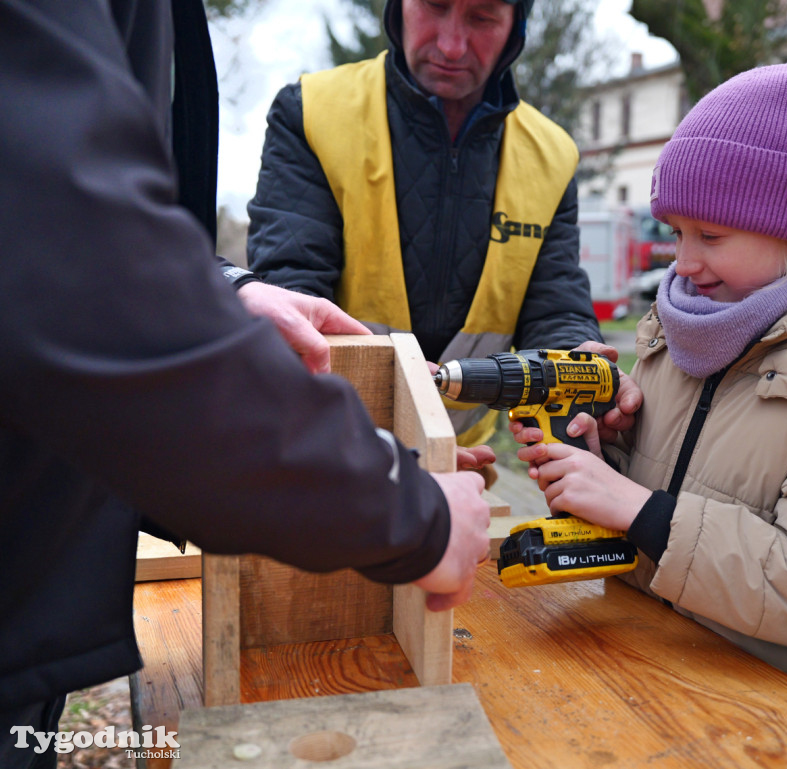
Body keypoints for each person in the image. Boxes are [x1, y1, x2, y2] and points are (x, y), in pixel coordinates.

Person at [0, 1, 491, 766]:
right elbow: (75, 274)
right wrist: (407, 507)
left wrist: (218, 289)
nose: (454, 42)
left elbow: (71, 227)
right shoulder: (318, 109)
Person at [513, 63, 787, 714]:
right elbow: (664, 500)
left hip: (777, 718)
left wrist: (636, 507)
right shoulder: (682, 333)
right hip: (647, 679)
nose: (683, 263)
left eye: (711, 236)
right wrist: (603, 458)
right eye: (677, 233)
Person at [244, 0, 614, 449]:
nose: (452, 45)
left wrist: (579, 363)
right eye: (434, 6)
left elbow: (555, 308)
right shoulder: (312, 112)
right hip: (331, 450)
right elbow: (293, 290)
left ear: (516, 26)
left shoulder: (553, 154)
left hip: (467, 462)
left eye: (482, 18)